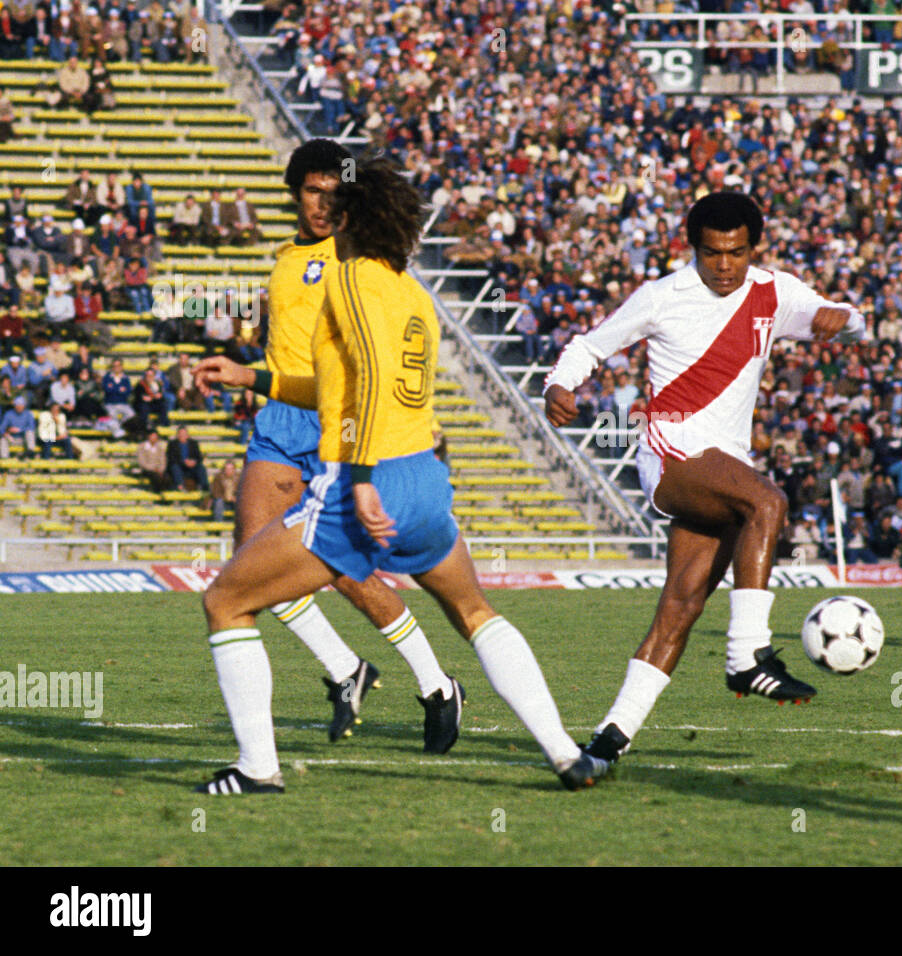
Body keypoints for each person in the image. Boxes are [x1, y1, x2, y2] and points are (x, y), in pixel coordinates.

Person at [192, 157, 607, 794]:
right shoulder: (413, 292)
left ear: (355, 217)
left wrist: (356, 475)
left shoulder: (351, 279)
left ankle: (258, 770)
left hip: (371, 477)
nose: (326, 212)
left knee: (227, 600)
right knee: (473, 610)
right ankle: (565, 754)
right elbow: (339, 382)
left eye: (339, 204)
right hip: (423, 479)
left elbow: (370, 379)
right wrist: (256, 379)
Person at [544, 191, 862, 766]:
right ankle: (746, 657)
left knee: (680, 609)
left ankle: (606, 745)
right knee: (767, 501)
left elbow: (848, 319)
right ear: (694, 248)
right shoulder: (663, 296)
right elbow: (590, 345)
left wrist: (844, 322)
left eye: (736, 253)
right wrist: (557, 386)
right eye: (712, 253)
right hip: (671, 455)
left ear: (753, 249)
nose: (724, 266)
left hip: (723, 468)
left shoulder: (775, 292)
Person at [214, 139, 487, 752]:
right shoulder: (286, 259)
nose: (321, 202)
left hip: (340, 423)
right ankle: (346, 670)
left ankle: (435, 682)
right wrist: (245, 371)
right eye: (311, 190)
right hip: (282, 418)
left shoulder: (361, 262)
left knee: (339, 571)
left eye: (332, 191)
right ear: (294, 193)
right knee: (249, 564)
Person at [166, 425, 208, 491]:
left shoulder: (193, 443)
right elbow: (171, 458)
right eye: (180, 434)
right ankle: (180, 486)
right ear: (177, 435)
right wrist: (184, 462)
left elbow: (199, 457)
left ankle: (204, 487)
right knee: (174, 467)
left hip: (191, 467)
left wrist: (194, 461)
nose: (182, 436)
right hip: (179, 467)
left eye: (184, 434)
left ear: (187, 435)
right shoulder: (172, 444)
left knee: (201, 468)